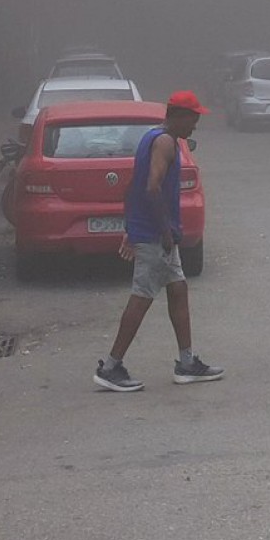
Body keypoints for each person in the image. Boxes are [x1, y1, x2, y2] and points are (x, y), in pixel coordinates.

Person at [93, 91, 222, 392]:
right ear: (177, 115)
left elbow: (133, 187)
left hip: (151, 232)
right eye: (192, 119)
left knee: (178, 290)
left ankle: (187, 362)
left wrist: (131, 227)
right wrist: (163, 232)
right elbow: (151, 188)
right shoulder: (164, 142)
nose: (195, 125)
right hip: (156, 236)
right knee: (142, 296)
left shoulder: (153, 138)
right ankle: (111, 367)